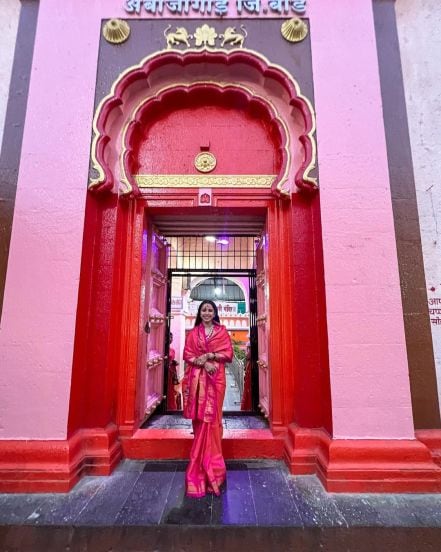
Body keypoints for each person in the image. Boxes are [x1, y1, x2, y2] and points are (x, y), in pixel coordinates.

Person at [182, 300, 233, 497]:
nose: (207, 313)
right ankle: (201, 466)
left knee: (213, 420)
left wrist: (210, 355)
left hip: (217, 380)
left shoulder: (222, 332)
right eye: (204, 310)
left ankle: (215, 469)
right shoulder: (193, 333)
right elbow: (188, 355)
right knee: (201, 420)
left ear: (215, 312)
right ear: (199, 312)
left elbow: (228, 354)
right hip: (199, 381)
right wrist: (204, 364)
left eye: (210, 310)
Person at [166, 333, 182, 411]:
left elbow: (170, 360)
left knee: (171, 391)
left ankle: (171, 408)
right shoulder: (162, 349)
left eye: (172, 337)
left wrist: (174, 362)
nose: (171, 339)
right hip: (164, 373)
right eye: (169, 337)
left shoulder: (172, 350)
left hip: (171, 373)